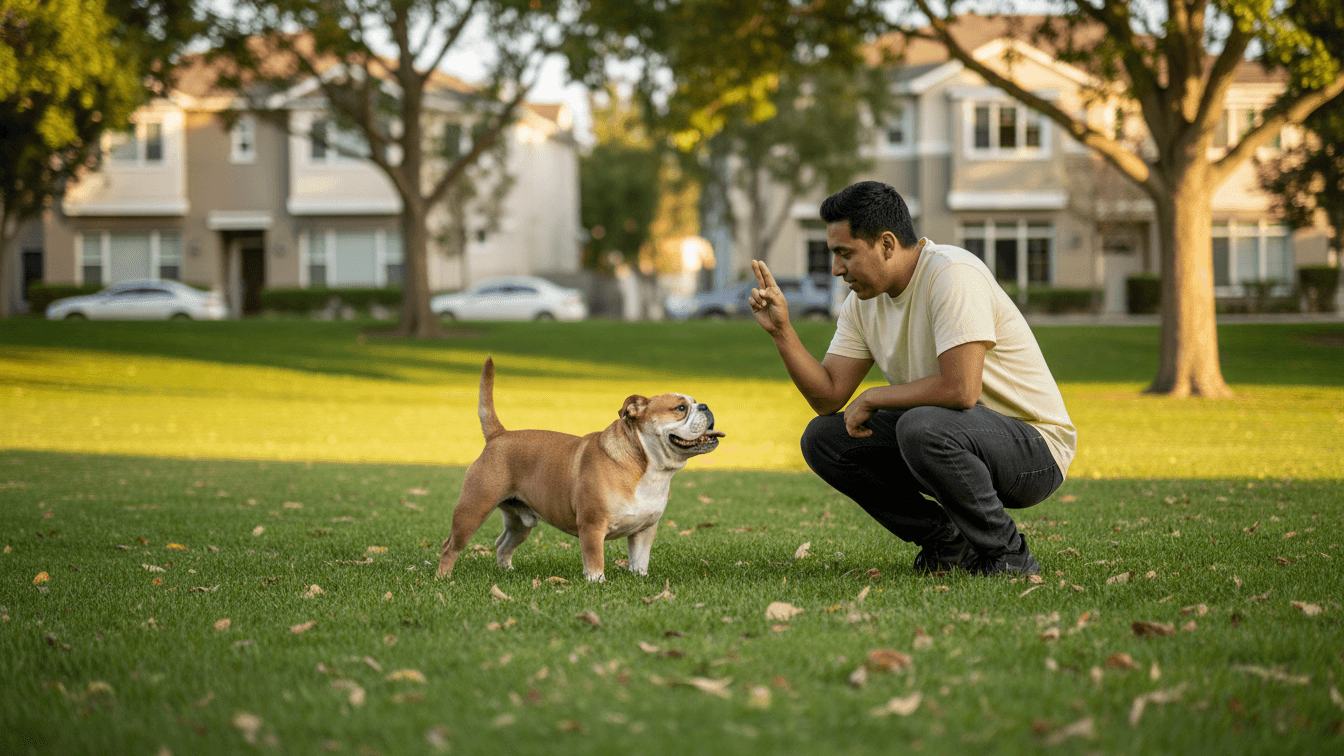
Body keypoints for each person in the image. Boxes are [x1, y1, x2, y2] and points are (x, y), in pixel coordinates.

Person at [748, 181, 1076, 575]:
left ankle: (1009, 556)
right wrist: (782, 331)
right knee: (824, 438)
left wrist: (875, 397)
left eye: (845, 253)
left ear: (886, 244)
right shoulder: (862, 304)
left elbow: (961, 389)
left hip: (1034, 449)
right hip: (948, 436)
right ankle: (948, 542)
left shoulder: (952, 274)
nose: (836, 269)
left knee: (922, 425)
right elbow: (828, 396)